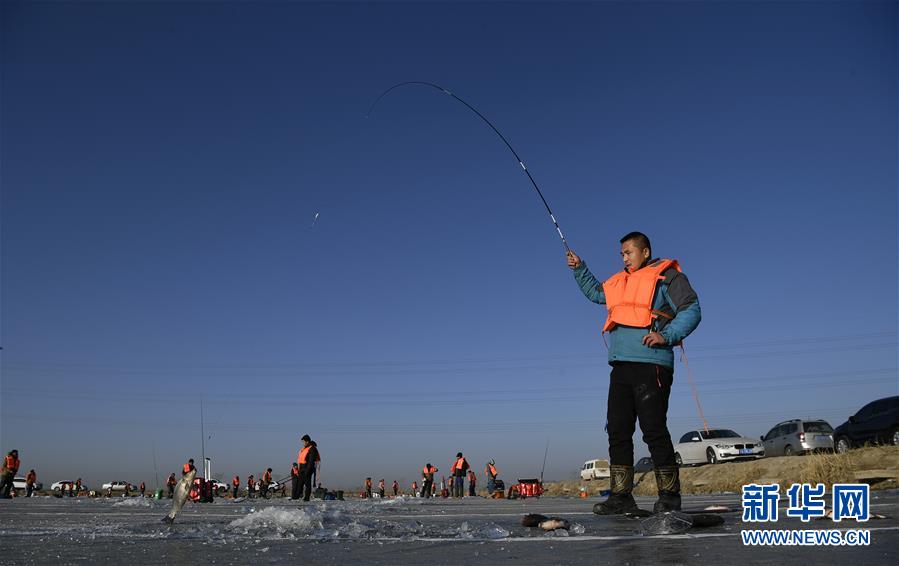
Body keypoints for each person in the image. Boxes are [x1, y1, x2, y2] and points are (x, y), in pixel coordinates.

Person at [567, 231, 701, 514]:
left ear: (646, 252)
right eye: (621, 254)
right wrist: (580, 269)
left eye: (629, 252)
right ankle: (621, 496)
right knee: (617, 430)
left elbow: (692, 309)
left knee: (652, 428)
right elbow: (596, 292)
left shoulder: (667, 277)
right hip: (621, 366)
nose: (624, 258)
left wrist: (667, 335)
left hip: (651, 363)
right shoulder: (619, 282)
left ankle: (669, 496)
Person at [297, 434, 320, 502]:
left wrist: (307, 470)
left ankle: (306, 498)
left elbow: (311, 461)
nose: (303, 443)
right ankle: (297, 496)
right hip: (302, 468)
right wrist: (299, 469)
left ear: (307, 441)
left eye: (303, 441)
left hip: (307, 468)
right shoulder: (304, 449)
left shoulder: (312, 448)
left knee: (307, 484)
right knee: (300, 483)